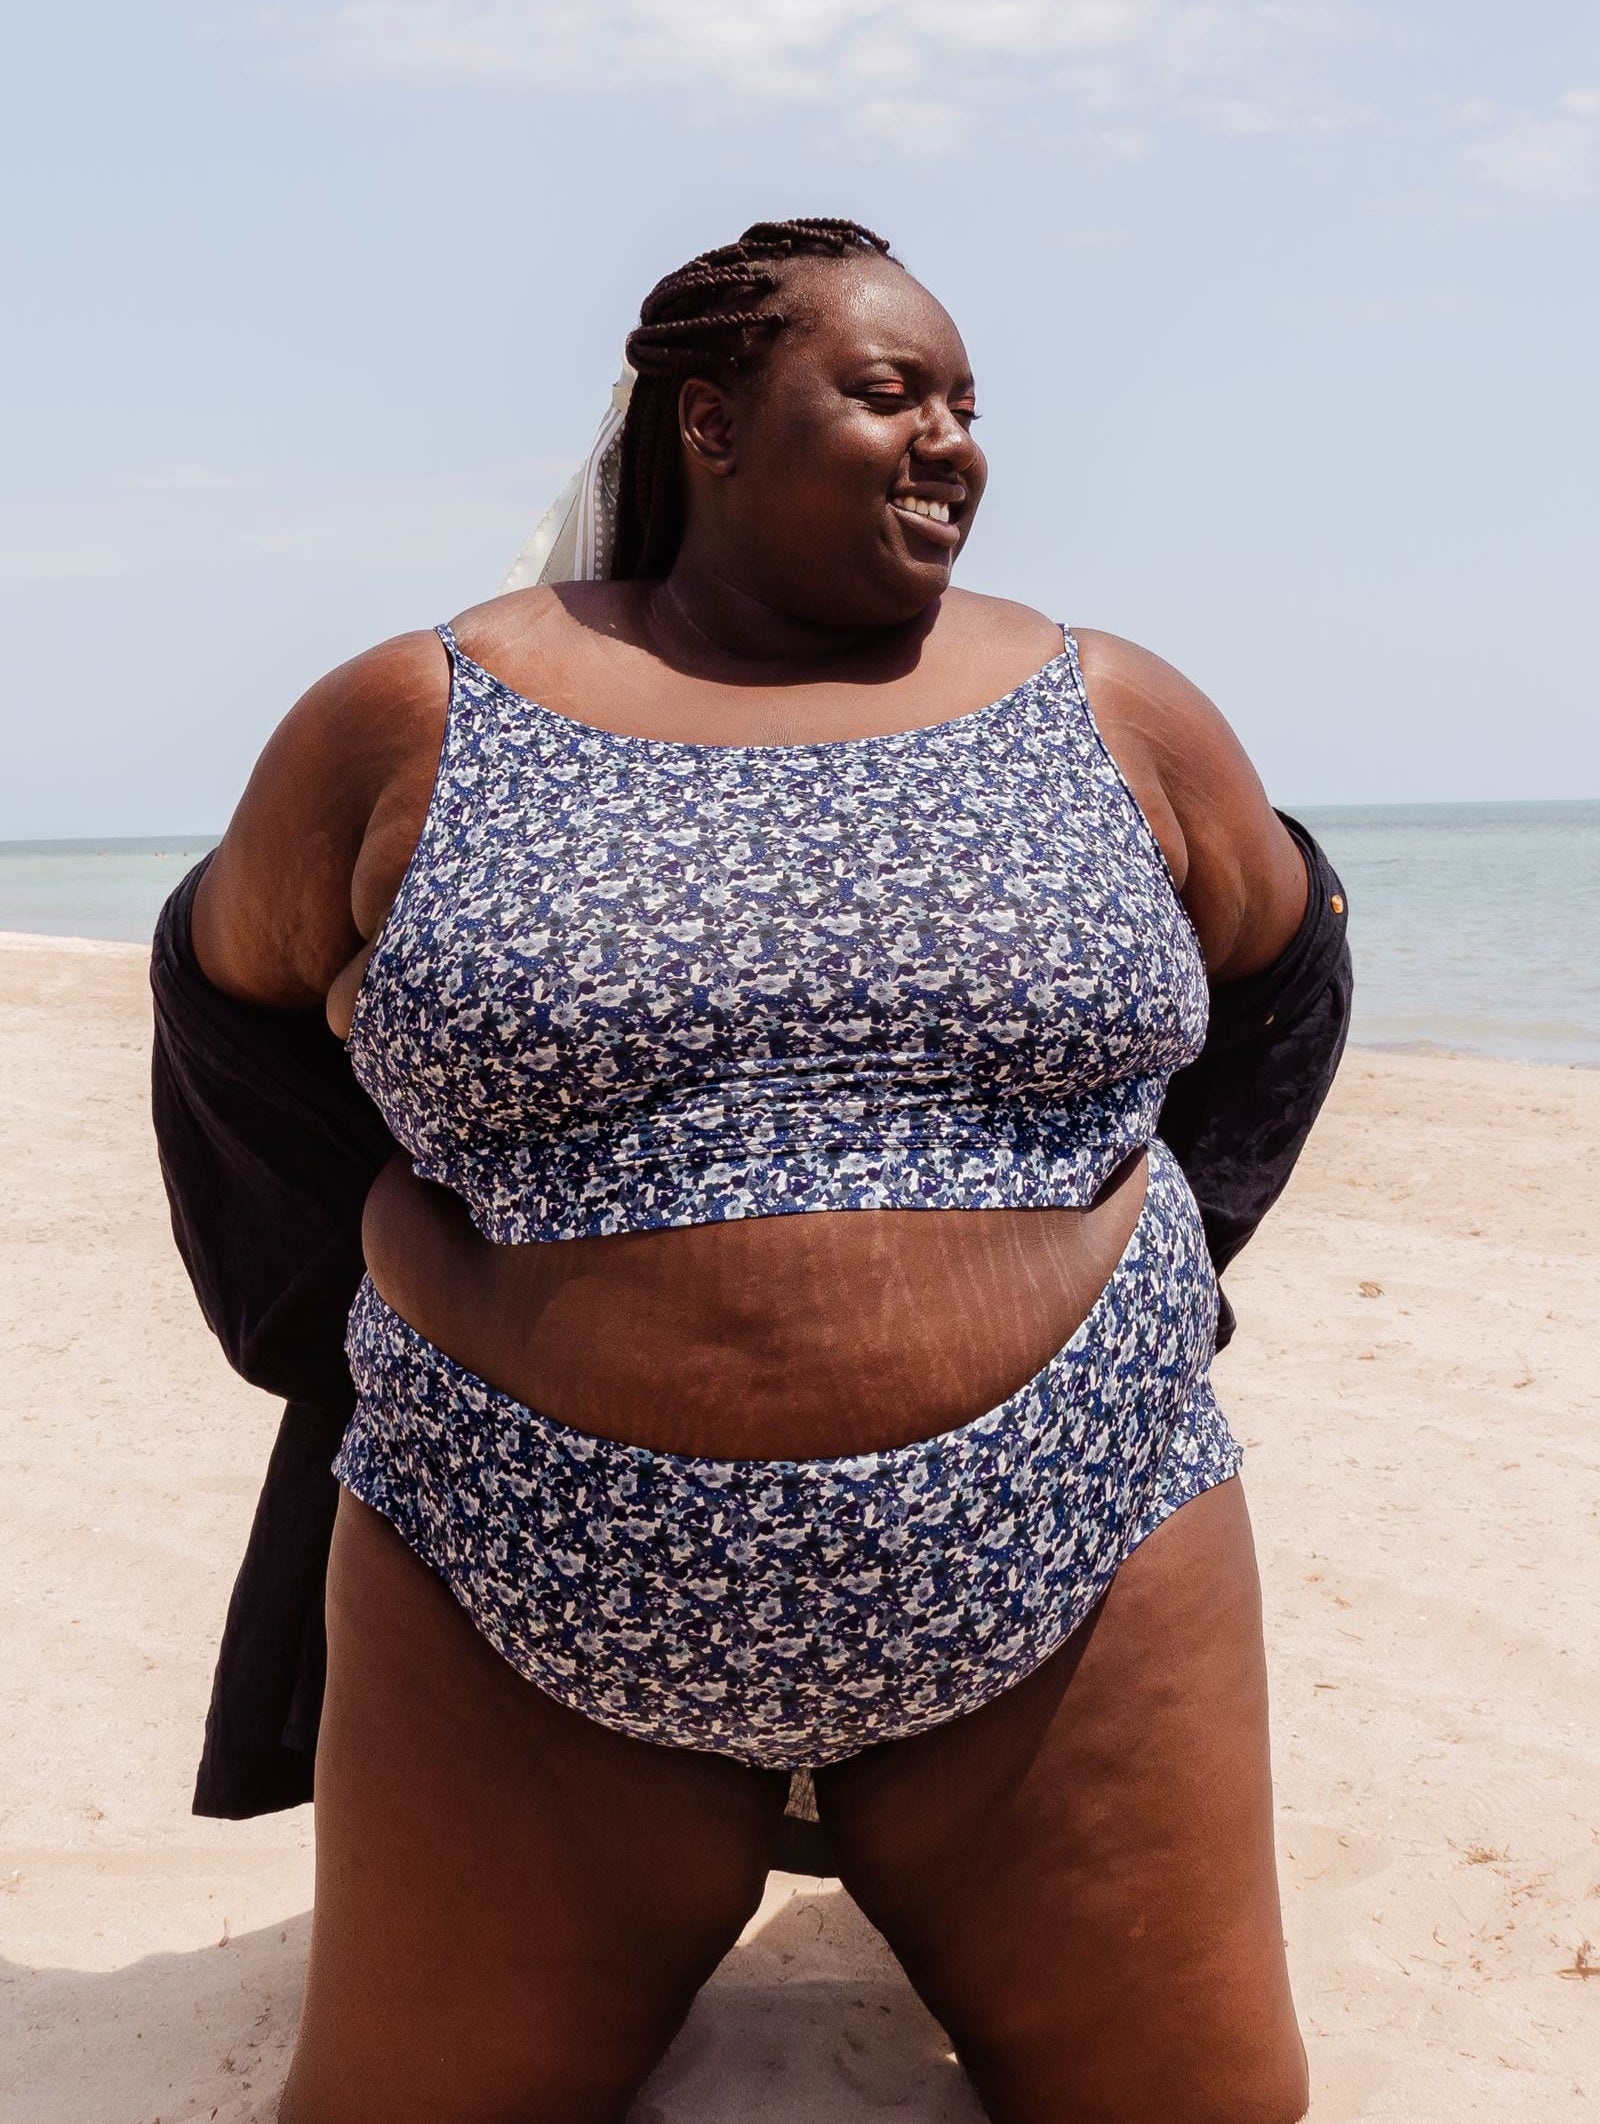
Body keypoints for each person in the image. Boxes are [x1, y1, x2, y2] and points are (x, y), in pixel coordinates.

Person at [187, 217, 1323, 2124]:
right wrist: (351, 1310)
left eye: (968, 402)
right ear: (705, 421)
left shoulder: (1112, 707)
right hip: (511, 1569)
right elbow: (228, 1020)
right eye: (890, 393)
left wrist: (1169, 1270)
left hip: (1075, 1538)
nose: (950, 437)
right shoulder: (417, 713)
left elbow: (1289, 974)